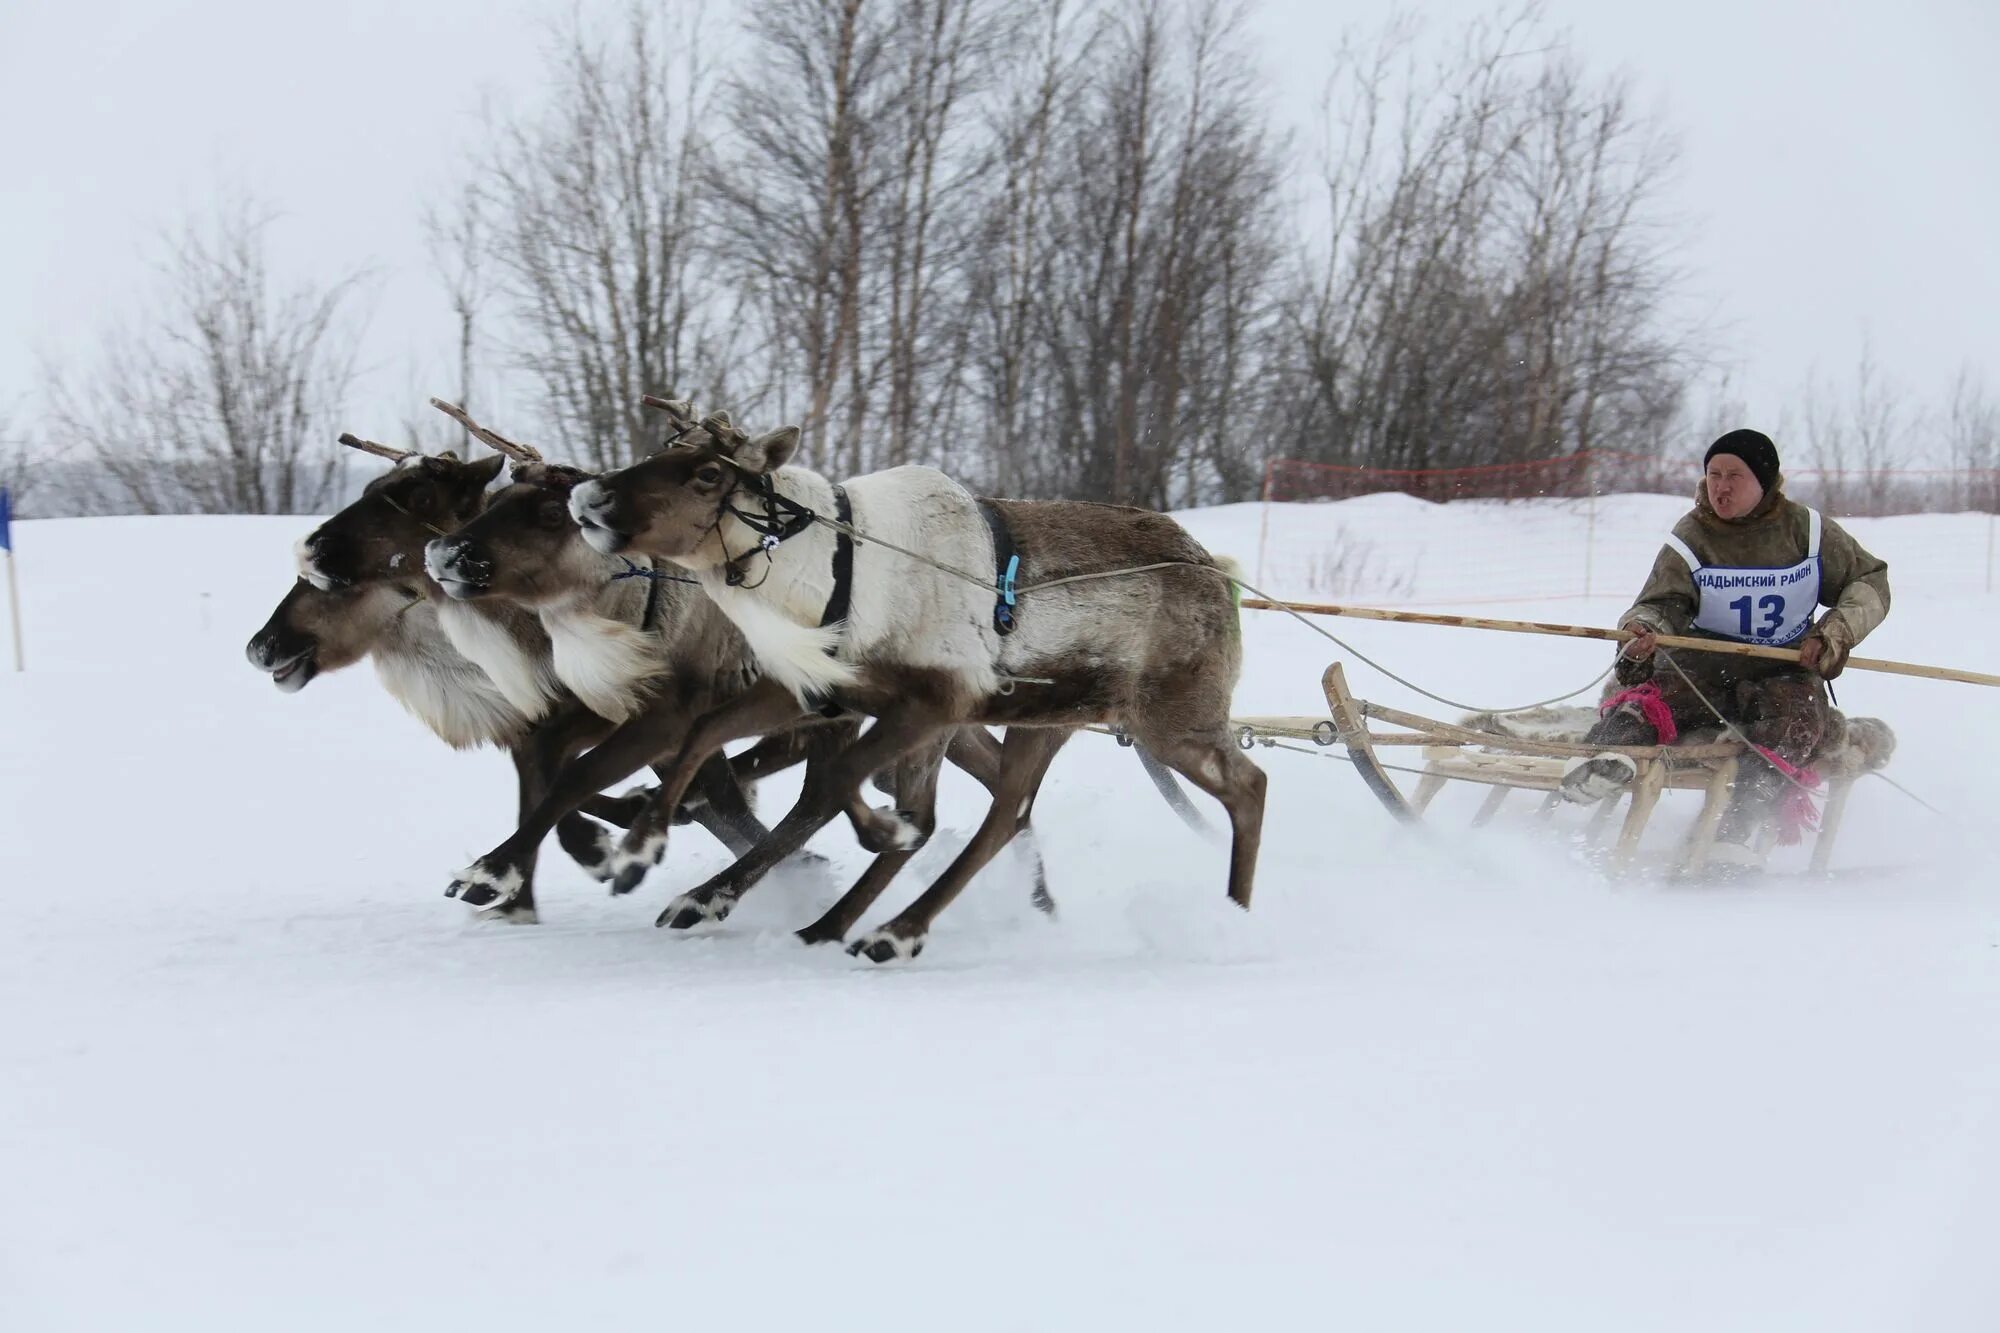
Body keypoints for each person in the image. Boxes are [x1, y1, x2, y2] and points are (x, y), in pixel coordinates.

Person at [1559, 429, 1891, 867]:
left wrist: (1834, 633)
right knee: (1652, 700)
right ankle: (1604, 758)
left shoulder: (1809, 532)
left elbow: (1869, 583)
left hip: (1784, 666)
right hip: (1702, 664)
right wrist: (1643, 632)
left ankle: (1738, 827)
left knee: (1794, 722)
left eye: (1735, 475)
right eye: (1714, 474)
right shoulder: (1693, 534)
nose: (1722, 486)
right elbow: (1662, 603)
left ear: (1765, 481)